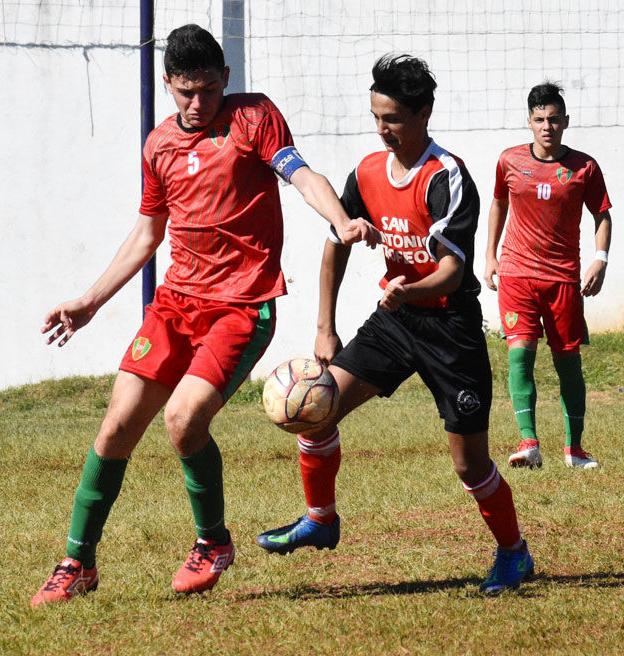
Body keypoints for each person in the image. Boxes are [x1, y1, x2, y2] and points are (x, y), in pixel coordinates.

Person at [30, 24, 378, 607]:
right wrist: (91, 300)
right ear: (167, 83)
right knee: (115, 429)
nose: (199, 103)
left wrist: (339, 219)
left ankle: (212, 542)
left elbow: (299, 172)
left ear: (227, 79)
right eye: (187, 92)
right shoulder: (158, 145)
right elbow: (148, 233)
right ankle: (77, 562)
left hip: (242, 306)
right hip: (174, 306)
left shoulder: (254, 118)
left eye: (210, 89)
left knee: (183, 420)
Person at [253, 54, 534, 592]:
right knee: (317, 408)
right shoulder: (364, 172)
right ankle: (320, 519)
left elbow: (453, 271)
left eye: (394, 119)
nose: (382, 129)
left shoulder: (445, 177)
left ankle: (513, 553)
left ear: (424, 113)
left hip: (449, 328)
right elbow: (336, 243)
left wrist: (413, 289)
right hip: (394, 323)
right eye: (377, 117)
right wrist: (323, 328)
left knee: (469, 466)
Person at [483, 82, 612, 471]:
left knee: (567, 362)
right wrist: (490, 255)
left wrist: (600, 260)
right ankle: (529, 443)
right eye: (539, 119)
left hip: (562, 278)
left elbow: (602, 214)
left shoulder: (584, 167)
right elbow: (498, 203)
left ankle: (575, 451)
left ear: (565, 122)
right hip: (517, 274)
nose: (547, 126)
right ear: (529, 122)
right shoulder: (509, 161)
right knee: (519, 356)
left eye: (554, 119)